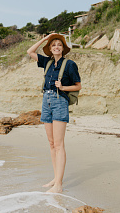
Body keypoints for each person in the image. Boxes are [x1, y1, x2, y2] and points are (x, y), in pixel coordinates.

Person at [27, 33, 81, 193]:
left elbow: (78, 86)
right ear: (50, 49)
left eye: (59, 44)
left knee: (59, 144)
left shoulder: (70, 64)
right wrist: (45, 39)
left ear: (63, 48)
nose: (56, 47)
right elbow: (30, 52)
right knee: (51, 144)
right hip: (46, 101)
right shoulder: (47, 62)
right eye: (53, 45)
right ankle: (56, 177)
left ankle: (59, 185)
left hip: (60, 102)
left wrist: (63, 87)